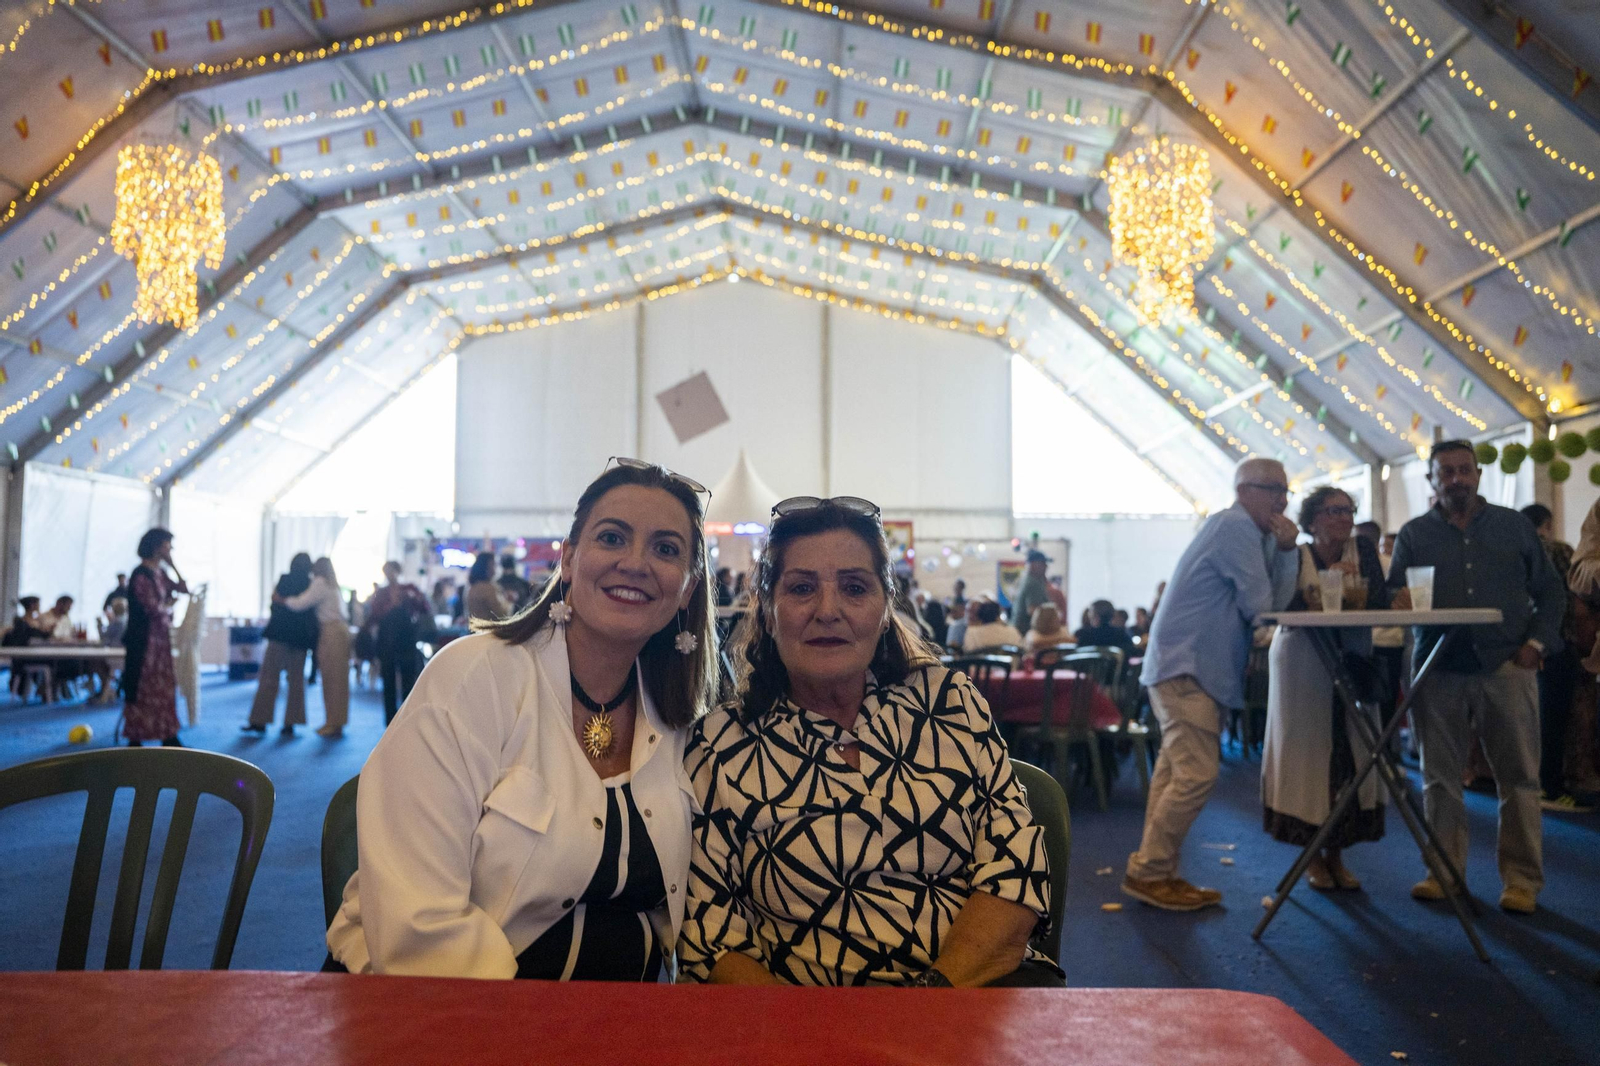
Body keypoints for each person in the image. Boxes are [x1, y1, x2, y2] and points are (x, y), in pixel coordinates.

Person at [326, 460, 717, 978]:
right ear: (570, 559)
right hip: (459, 1011)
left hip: (628, 1022)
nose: (636, 563)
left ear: (688, 589)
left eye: (666, 549)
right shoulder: (473, 677)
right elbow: (419, 924)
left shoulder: (685, 714)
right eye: (612, 537)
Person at [678, 496, 1059, 987]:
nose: (828, 610)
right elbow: (712, 939)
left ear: (885, 610)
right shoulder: (720, 744)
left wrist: (924, 1009)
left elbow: (1016, 867)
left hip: (973, 998)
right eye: (801, 588)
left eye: (855, 588)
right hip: (804, 1034)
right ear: (768, 612)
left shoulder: (949, 702)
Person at [1388, 441, 1565, 914]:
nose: (1456, 479)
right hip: (1438, 668)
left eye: (1464, 470)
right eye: (1446, 472)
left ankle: (1522, 881)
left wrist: (1537, 645)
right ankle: (1443, 872)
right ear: (1431, 480)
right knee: (1439, 779)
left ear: (1479, 474)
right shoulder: (1413, 534)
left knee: (1520, 779)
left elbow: (1551, 592)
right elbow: (1393, 594)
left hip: (1506, 664)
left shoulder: (1514, 527)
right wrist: (1396, 602)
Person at [1124, 457, 1299, 911]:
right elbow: (1262, 607)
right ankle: (1149, 872)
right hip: (1189, 668)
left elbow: (1270, 607)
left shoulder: (1242, 530)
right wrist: (1286, 552)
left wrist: (1283, 552)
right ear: (1244, 490)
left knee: (1173, 773)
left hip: (1180, 666)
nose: (1282, 499)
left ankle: (1156, 869)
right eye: (1273, 489)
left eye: (1285, 490)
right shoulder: (1235, 528)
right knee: (1196, 775)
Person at [1261, 487, 1392, 890]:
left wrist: (1367, 595)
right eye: (1333, 510)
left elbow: (1381, 602)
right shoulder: (1292, 553)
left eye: (1348, 509)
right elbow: (1279, 602)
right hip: (1302, 660)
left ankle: (1337, 854)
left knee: (1351, 750)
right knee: (1306, 753)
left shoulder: (1364, 550)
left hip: (1353, 658)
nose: (1343, 517)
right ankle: (1311, 855)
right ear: (1312, 519)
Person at [1519, 504, 1591, 813]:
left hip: (1522, 646)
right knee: (1555, 720)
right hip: (1559, 642)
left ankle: (1534, 784)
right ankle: (1551, 786)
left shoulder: (1515, 550)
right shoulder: (1559, 550)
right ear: (1547, 523)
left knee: (1531, 719)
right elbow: (1574, 595)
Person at [121, 529, 187, 747]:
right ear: (157, 545)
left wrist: (174, 565)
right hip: (145, 643)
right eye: (168, 545)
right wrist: (169, 608)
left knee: (163, 686)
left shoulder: (159, 572)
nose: (170, 549)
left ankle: (167, 733)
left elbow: (182, 588)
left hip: (160, 641)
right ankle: (136, 735)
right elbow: (153, 609)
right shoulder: (141, 574)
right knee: (143, 687)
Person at [245, 553, 320, 736]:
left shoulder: (285, 579)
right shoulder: (311, 583)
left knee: (269, 678)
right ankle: (291, 723)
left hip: (279, 634)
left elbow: (275, 603)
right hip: (300, 638)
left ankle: (259, 721)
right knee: (296, 681)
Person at [278, 557, 351, 739]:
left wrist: (282, 600)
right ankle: (337, 722)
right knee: (339, 680)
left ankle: (332, 723)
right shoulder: (332, 584)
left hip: (330, 632)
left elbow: (301, 603)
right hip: (340, 631)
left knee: (331, 680)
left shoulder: (320, 583)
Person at [364, 562, 434, 724]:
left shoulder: (410, 589)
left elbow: (424, 608)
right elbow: (375, 615)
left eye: (392, 571)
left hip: (406, 641)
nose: (390, 575)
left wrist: (409, 599)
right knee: (388, 680)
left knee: (408, 680)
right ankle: (390, 720)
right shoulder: (381, 593)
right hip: (387, 642)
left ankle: (406, 717)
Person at [1009, 550, 1052, 637]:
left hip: (1019, 631)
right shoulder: (1033, 583)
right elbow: (1033, 610)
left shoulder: (1026, 580)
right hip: (1026, 633)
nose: (1046, 567)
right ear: (1033, 565)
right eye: (1043, 563)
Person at [466, 552, 510, 622]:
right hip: (490, 629)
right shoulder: (488, 589)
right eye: (493, 565)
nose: (495, 569)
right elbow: (501, 615)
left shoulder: (472, 587)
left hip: (476, 629)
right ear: (487, 567)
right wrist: (509, 602)